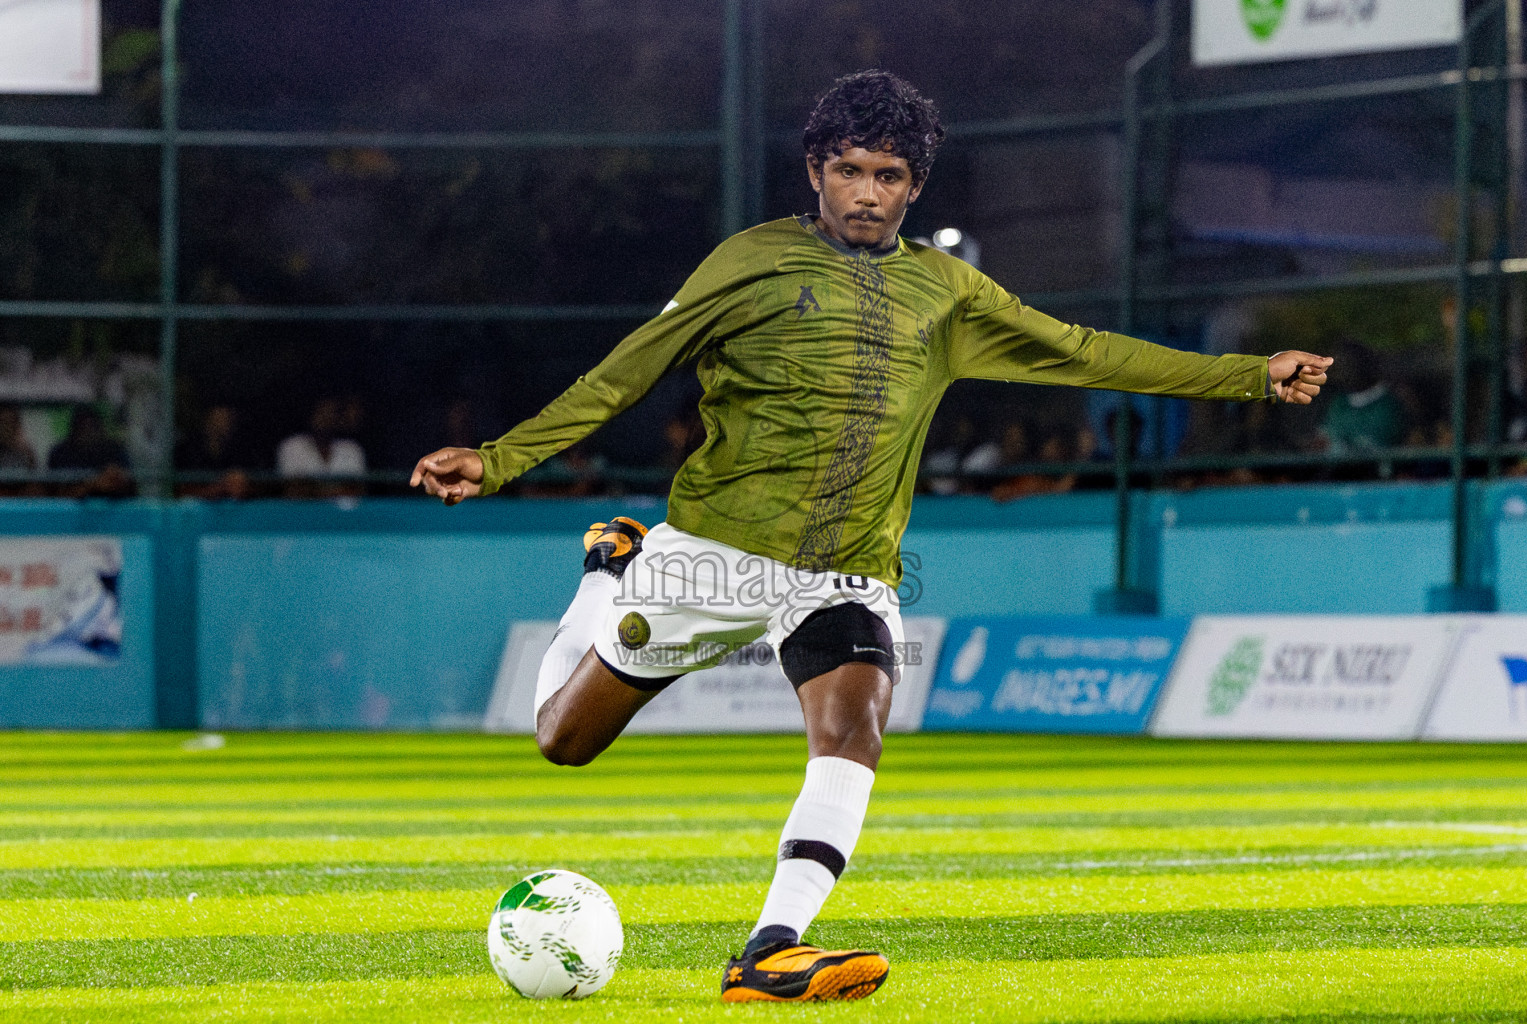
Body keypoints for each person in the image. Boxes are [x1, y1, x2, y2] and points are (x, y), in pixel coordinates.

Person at [411, 70, 1332, 1003]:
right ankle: (606, 577)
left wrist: (1249, 375)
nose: (866, 192)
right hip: (712, 556)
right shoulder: (749, 261)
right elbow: (623, 375)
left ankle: (770, 949)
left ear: (914, 186)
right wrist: (498, 460)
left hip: (846, 568)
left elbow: (1084, 351)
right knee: (562, 741)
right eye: (848, 170)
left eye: (888, 175)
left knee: (854, 731)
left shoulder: (945, 292)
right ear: (816, 170)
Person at [276, 397, 366, 497]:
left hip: (343, 511)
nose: (325, 419)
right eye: (321, 413)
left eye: (330, 414)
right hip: (303, 510)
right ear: (311, 416)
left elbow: (357, 490)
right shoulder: (292, 446)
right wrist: (335, 491)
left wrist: (314, 488)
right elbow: (294, 489)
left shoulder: (351, 449)